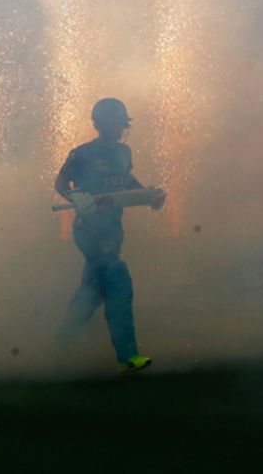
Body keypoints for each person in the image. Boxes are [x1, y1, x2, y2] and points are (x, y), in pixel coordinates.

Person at [54, 98, 164, 375]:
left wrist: (149, 195)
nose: (119, 128)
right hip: (88, 228)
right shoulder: (81, 153)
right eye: (115, 122)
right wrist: (77, 197)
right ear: (99, 123)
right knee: (117, 276)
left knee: (93, 290)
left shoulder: (124, 152)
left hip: (113, 228)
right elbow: (60, 183)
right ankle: (128, 355)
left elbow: (127, 181)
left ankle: (62, 342)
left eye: (121, 122)